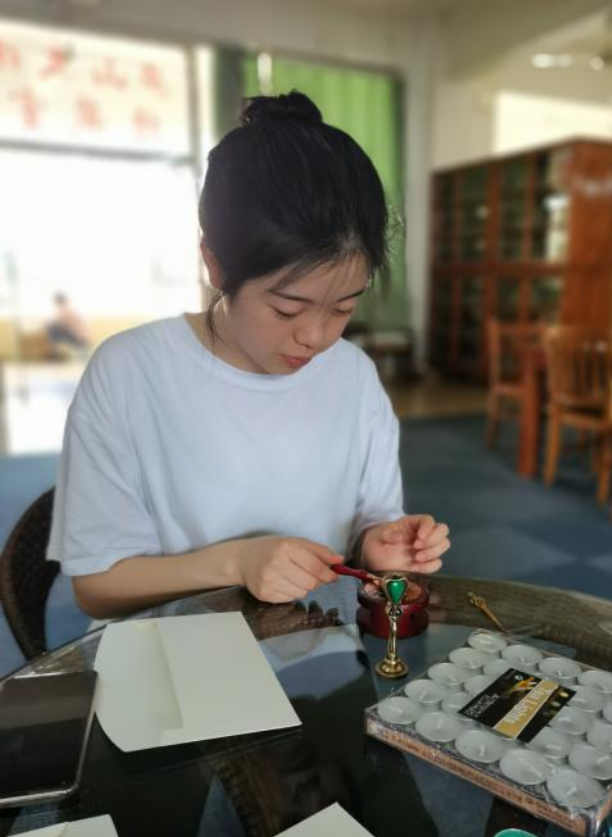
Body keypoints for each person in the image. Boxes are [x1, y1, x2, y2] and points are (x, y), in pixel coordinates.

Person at [47, 91, 450, 620]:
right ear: (214, 264)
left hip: (321, 644)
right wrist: (239, 562)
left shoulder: (353, 376)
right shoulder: (131, 372)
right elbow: (97, 586)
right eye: (287, 309)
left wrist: (377, 545)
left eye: (343, 308)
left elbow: (368, 524)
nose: (316, 337)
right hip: (177, 652)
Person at [46, 292, 90, 359]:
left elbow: (62, 323)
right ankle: (55, 350)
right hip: (81, 338)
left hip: (79, 339)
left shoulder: (64, 310)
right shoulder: (69, 309)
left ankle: (55, 351)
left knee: (52, 328)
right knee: (52, 327)